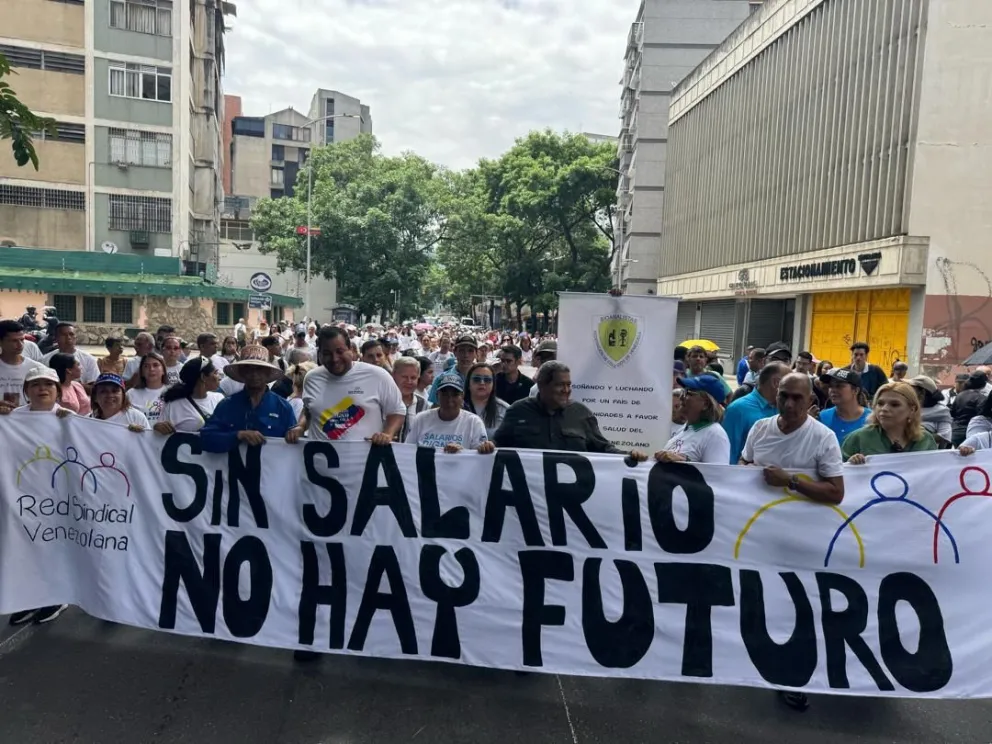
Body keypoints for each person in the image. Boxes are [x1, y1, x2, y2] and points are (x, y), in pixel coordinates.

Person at [740, 372, 845, 713]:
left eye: (797, 398)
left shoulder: (822, 437)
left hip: (804, 542)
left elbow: (836, 492)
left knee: (799, 609)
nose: (789, 404)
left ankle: (794, 680)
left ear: (811, 401)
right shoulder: (760, 428)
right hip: (760, 536)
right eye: (784, 395)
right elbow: (743, 465)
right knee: (762, 604)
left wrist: (791, 482)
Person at [1, 366, 72, 626]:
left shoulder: (70, 420)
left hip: (56, 497)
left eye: (48, 385)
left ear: (57, 391)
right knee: (22, 548)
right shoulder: (11, 419)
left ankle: (55, 597)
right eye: (35, 385)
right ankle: (28, 600)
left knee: (52, 547)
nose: (42, 389)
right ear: (26, 391)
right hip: (20, 496)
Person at [494, 361, 648, 460]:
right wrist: (488, 447)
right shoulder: (517, 411)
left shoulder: (581, 414)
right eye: (560, 385)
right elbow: (498, 445)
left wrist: (629, 455)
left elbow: (603, 448)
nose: (566, 390)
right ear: (542, 385)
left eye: (569, 385)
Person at [298, 327, 405, 444]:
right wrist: (300, 427)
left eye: (340, 351)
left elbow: (397, 410)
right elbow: (309, 410)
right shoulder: (311, 378)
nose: (334, 359)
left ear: (351, 350)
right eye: (327, 353)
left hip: (364, 460)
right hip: (320, 459)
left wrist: (387, 434)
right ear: (319, 354)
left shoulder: (378, 375)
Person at [199, 345, 301, 453]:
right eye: (248, 369)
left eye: (259, 369)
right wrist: (238, 435)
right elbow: (206, 438)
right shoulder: (227, 405)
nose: (254, 374)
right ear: (242, 373)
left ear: (267, 373)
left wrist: (295, 433)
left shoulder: (283, 407)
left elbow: (294, 445)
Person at [842, 382, 937, 462]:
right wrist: (850, 464)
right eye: (880, 403)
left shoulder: (926, 440)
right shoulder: (858, 438)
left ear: (912, 409)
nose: (884, 409)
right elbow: (838, 475)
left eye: (894, 404)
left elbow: (936, 474)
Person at [406, 373, 494, 454]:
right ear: (437, 395)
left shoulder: (474, 422)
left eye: (455, 394)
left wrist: (462, 452)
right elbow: (407, 451)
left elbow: (480, 456)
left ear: (462, 396)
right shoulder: (421, 419)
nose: (450, 399)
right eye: (445, 394)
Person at [721, 362, 788, 464]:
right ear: (776, 383)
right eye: (789, 382)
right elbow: (729, 455)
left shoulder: (784, 408)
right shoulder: (738, 409)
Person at [654, 375, 730, 464]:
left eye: (688, 393)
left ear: (705, 404)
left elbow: (717, 475)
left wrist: (683, 462)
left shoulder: (715, 435)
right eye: (683, 391)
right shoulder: (685, 428)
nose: (681, 397)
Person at [154, 356, 224, 434]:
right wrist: (158, 428)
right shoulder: (174, 405)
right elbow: (159, 434)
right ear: (203, 377)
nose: (219, 377)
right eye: (215, 373)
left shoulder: (220, 398)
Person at [817, 368, 871, 446]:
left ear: (855, 390)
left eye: (839, 386)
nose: (833, 390)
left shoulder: (871, 419)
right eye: (831, 386)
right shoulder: (823, 417)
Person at [0, 319, 43, 410]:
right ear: (1, 342)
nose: (20, 345)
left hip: (27, 420)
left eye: (22, 340)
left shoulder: (36, 369)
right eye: (14, 341)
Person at [427, 334, 477, 405]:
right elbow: (434, 407)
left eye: (470, 351)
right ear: (455, 352)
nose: (466, 355)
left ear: (476, 353)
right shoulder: (441, 379)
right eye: (462, 350)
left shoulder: (483, 378)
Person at [463, 362, 509, 439]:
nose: (482, 383)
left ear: (493, 384)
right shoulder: (457, 406)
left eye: (487, 380)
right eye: (476, 379)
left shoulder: (505, 409)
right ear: (468, 383)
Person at [907, 375, 953, 446]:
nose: (908, 391)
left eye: (911, 389)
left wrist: (916, 437)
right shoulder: (906, 407)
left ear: (922, 393)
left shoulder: (941, 412)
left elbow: (944, 436)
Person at [393, 356, 429, 442]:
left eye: (413, 378)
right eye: (404, 377)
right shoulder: (383, 400)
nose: (409, 381)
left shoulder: (423, 404)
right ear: (393, 375)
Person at [126, 352, 168, 425]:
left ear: (163, 370)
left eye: (155, 365)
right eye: (146, 366)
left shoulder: (173, 392)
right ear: (141, 372)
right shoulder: (131, 394)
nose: (151, 369)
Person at [950, 371, 988, 446]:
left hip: (955, 432)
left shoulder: (960, 395)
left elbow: (952, 413)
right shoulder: (981, 398)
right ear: (984, 384)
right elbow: (981, 416)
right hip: (970, 434)